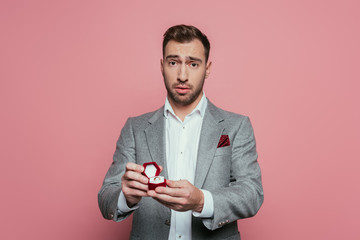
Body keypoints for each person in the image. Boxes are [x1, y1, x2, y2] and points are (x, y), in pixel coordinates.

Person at [98, 24, 264, 240]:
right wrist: (125, 197)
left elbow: (252, 193)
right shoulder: (135, 128)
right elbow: (106, 197)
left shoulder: (237, 126)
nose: (182, 75)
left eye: (193, 64)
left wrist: (201, 201)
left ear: (207, 68)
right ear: (162, 65)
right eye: (173, 62)